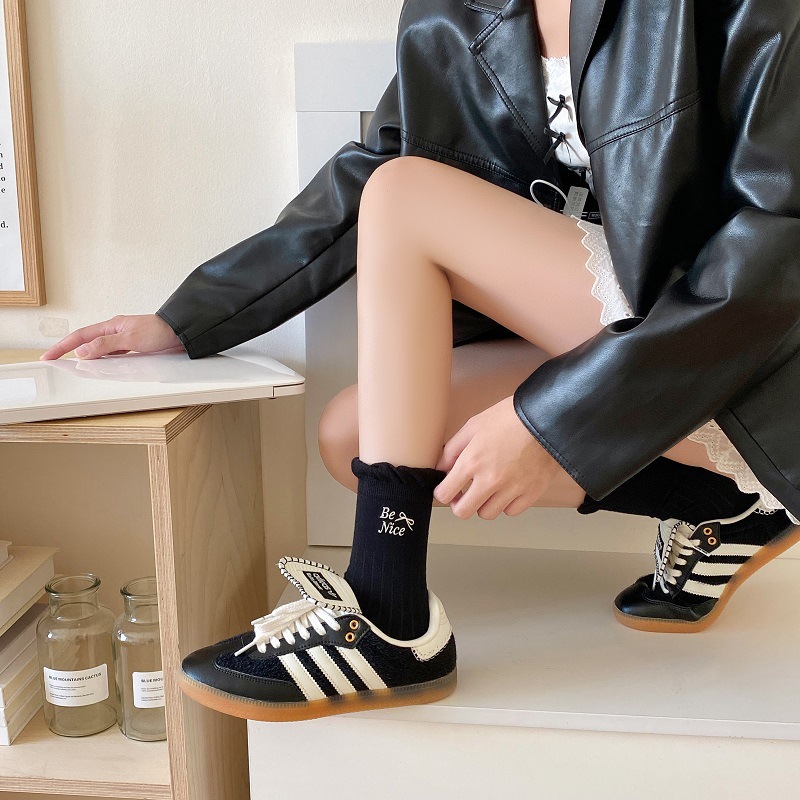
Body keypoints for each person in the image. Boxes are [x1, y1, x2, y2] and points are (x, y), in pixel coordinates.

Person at [40, 0, 800, 721]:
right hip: (639, 344)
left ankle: (388, 617)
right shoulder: (455, 10)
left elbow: (776, 250)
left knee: (407, 197)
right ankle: (726, 506)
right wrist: (189, 318)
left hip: (749, 351)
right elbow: (373, 169)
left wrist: (557, 422)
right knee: (354, 435)